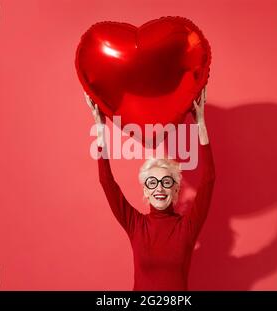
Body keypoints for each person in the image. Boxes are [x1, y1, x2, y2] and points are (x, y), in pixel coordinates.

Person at [85, 86, 215, 290]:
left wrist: (200, 122)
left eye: (166, 182)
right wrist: (100, 128)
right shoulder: (135, 225)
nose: (159, 188)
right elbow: (106, 181)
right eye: (152, 183)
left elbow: (208, 179)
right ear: (146, 190)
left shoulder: (187, 227)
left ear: (175, 189)